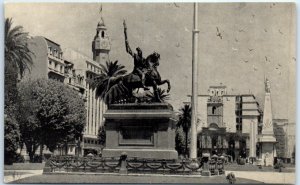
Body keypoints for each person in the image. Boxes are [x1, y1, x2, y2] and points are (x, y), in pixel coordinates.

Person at [123, 20, 149, 90]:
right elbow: (128, 51)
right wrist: (126, 41)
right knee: (143, 75)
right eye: (139, 51)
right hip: (137, 69)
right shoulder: (135, 56)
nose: (140, 52)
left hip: (142, 69)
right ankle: (143, 85)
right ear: (138, 52)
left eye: (140, 51)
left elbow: (145, 65)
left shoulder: (143, 58)